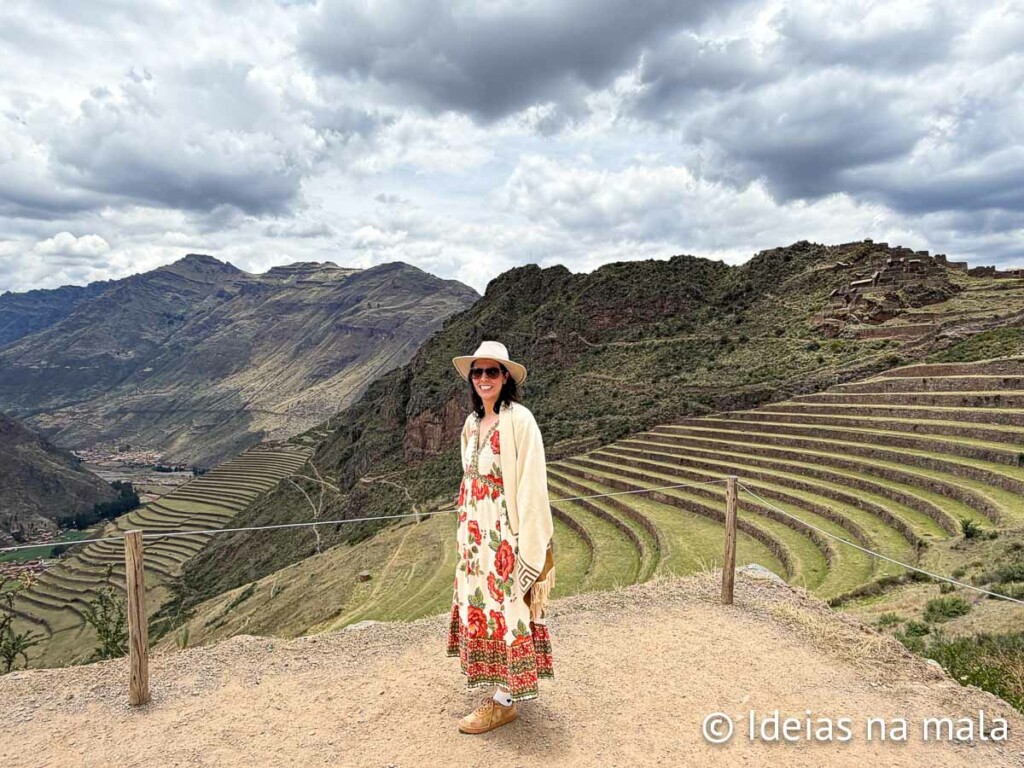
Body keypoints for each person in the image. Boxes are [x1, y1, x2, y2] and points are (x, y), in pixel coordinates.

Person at [446, 340, 555, 734]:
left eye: (492, 371)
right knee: (485, 606)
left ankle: (505, 701)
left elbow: (531, 484)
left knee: (509, 608)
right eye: (478, 372)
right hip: (477, 538)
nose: (484, 379)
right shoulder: (473, 423)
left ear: (505, 376)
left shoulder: (519, 420)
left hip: (504, 537)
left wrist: (524, 542)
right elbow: (468, 478)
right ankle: (498, 688)